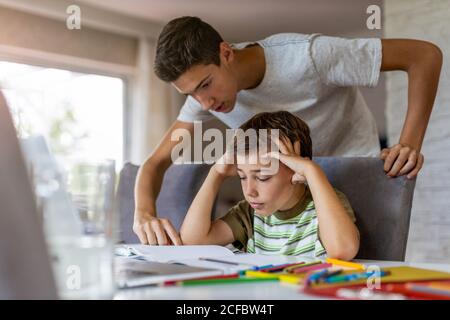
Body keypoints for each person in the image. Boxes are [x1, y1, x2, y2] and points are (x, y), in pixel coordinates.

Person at [133, 16, 442, 245]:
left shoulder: (309, 56)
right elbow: (156, 162)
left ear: (226, 53)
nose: (205, 102)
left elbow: (424, 57)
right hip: (285, 188)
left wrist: (409, 144)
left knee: (356, 263)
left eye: (205, 85)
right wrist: (143, 213)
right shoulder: (206, 99)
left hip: (353, 171)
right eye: (190, 94)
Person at [180, 111, 359, 259]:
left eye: (263, 178)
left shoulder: (325, 205)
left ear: (296, 168)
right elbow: (192, 240)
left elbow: (343, 250)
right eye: (242, 177)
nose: (249, 192)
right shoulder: (249, 214)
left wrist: (312, 172)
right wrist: (216, 174)